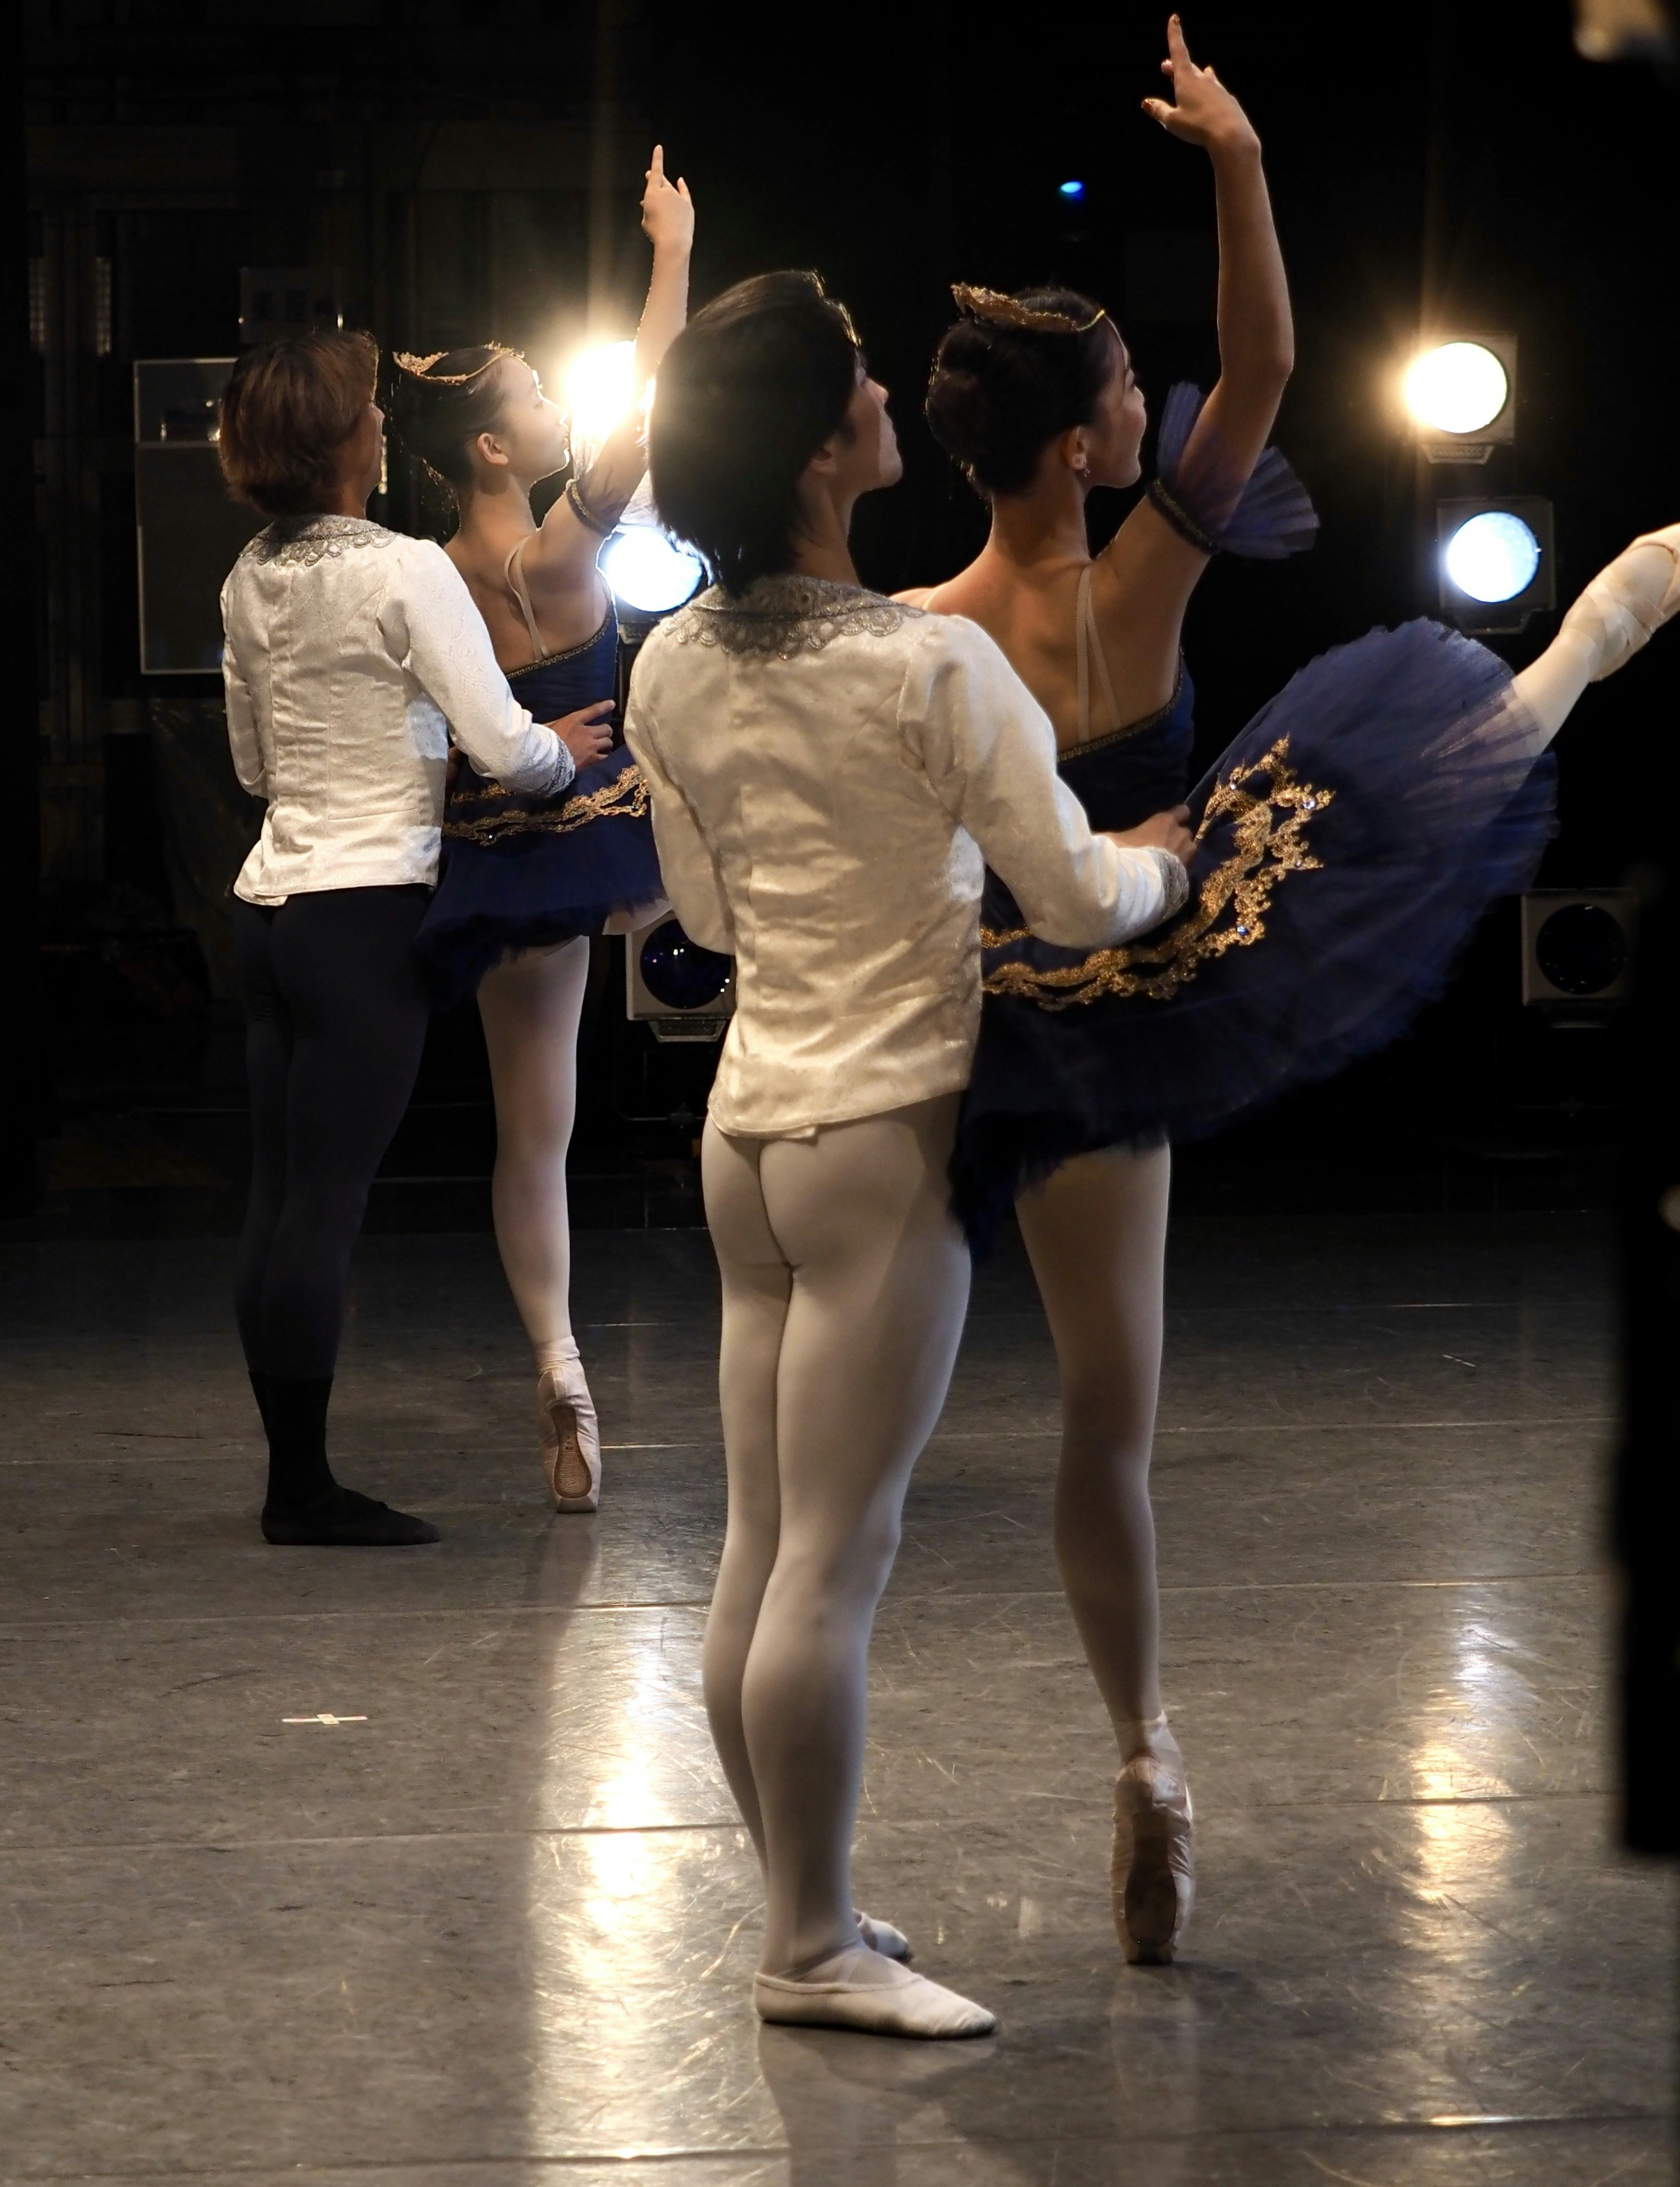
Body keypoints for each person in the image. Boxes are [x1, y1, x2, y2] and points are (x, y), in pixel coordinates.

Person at [905, 16, 1680, 1965]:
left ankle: (1121, 1753)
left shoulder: (924, 632)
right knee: (1381, 775)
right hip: (1162, 940)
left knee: (1028, 1428)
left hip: (1012, 1004)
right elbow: (1266, 366)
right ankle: (1563, 670)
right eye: (1120, 392)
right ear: (1091, 440)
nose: (1142, 407)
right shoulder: (1135, 574)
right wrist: (1238, 162)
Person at [626, 271, 1194, 2038]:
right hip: (885, 1134)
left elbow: (704, 912)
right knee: (831, 1562)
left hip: (749, 1133)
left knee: (759, 1551)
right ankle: (806, 1946)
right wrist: (1182, 857)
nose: (887, 395)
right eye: (860, 379)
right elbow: (1076, 896)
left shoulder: (666, 659)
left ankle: (807, 1902)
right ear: (817, 451)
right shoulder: (927, 660)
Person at [218, 325, 620, 1546]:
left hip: (268, 909)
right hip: (362, 913)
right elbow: (504, 742)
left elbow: (250, 762)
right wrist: (573, 758)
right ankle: (301, 1493)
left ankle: (292, 1474)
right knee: (325, 1206)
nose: (383, 423)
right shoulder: (404, 568)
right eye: (366, 411)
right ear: (343, 443)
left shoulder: (247, 574)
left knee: (281, 1197)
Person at [392, 144, 693, 1515]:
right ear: (492, 447)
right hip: (599, 834)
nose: (560, 409)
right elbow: (650, 405)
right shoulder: (551, 554)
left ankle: (560, 1357)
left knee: (532, 1134)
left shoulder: (423, 572)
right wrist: (669, 259)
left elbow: (417, 725)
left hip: (490, 851)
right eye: (530, 398)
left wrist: (489, 765)